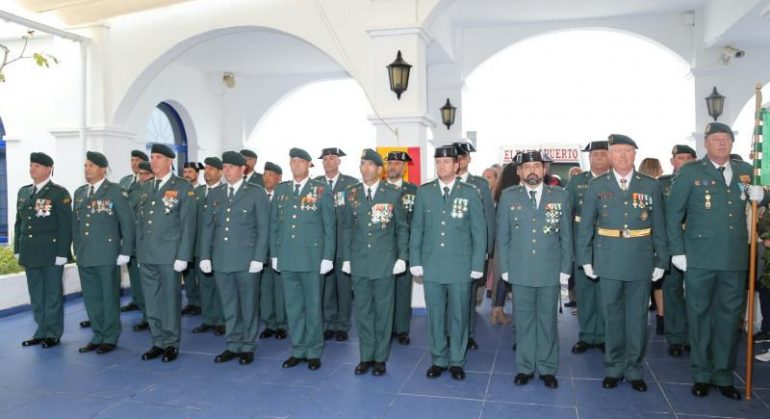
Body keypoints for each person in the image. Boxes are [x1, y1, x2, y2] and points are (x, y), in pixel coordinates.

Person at [666, 122, 767, 400]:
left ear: (732, 143)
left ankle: (722, 374)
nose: (722, 142)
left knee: (729, 319)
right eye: (716, 138)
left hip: (734, 258)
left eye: (726, 138)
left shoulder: (745, 172)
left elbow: (760, 192)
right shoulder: (691, 172)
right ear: (706, 143)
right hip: (699, 258)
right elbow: (673, 214)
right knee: (699, 316)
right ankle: (701, 374)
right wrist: (677, 251)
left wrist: (762, 195)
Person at [578, 134, 667, 393]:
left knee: (638, 317)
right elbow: (586, 227)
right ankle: (614, 367)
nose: (623, 156)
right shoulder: (597, 186)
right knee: (612, 315)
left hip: (640, 259)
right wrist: (585, 259)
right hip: (608, 259)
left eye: (628, 151)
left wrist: (661, 259)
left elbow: (659, 227)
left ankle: (634, 368)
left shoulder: (650, 186)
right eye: (617, 151)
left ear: (635, 154)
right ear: (610, 155)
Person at [409, 145, 486, 380]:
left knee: (459, 314)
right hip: (432, 264)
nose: (441, 166)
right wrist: (415, 259)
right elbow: (417, 227)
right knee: (435, 315)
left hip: (460, 265)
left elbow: (479, 231)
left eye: (446, 162)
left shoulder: (470, 192)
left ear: (457, 165)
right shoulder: (425, 192)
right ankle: (438, 359)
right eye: (438, 162)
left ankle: (457, 360)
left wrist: (477, 264)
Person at [497, 151, 572, 389]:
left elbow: (566, 235)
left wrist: (565, 267)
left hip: (550, 268)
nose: (532, 171)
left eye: (537, 166)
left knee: (548, 321)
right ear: (519, 171)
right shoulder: (509, 196)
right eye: (527, 167)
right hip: (520, 269)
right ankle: (525, 367)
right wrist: (505, 267)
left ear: (544, 170)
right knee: (524, 321)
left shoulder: (560, 195)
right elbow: (503, 236)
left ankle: (547, 368)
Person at [339, 149, 408, 376]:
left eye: (370, 164)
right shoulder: (351, 193)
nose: (365, 168)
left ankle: (380, 358)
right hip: (359, 261)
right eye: (363, 164)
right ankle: (366, 356)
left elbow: (401, 227)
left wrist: (402, 257)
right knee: (363, 311)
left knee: (383, 312)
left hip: (384, 261)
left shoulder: (392, 193)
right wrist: (346, 258)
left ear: (380, 169)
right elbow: (347, 228)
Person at [199, 151, 270, 365]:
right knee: (228, 304)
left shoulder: (256, 193)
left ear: (242, 169)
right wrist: (205, 255)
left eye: (231, 167)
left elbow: (263, 228)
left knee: (248, 304)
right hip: (221, 258)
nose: (226, 171)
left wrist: (259, 257)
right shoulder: (216, 193)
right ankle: (232, 343)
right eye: (225, 167)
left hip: (247, 259)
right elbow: (208, 227)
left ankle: (248, 345)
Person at [271, 148, 335, 371]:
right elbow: (274, 225)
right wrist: (274, 254)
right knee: (293, 307)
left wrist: (327, 256)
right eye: (293, 161)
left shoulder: (321, 190)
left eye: (301, 161)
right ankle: (298, 349)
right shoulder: (281, 190)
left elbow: (329, 227)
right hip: (287, 257)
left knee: (313, 307)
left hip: (312, 258)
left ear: (309, 165)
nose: (296, 164)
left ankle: (314, 350)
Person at [135, 143, 196, 363]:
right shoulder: (145, 187)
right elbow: (140, 223)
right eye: (152, 157)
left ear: (170, 160)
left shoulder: (182, 187)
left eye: (158, 157)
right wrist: (139, 252)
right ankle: (157, 341)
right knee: (151, 301)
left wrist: (183, 255)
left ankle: (171, 343)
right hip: (148, 254)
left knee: (170, 301)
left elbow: (188, 224)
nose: (154, 161)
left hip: (170, 255)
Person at [72, 151, 134, 355]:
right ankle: (97, 334)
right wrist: (76, 248)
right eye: (85, 165)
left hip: (107, 255)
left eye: (91, 165)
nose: (87, 169)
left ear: (102, 169)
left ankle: (110, 336)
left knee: (108, 297)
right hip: (85, 254)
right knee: (91, 298)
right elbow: (76, 224)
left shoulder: (115, 191)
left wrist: (126, 250)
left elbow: (127, 223)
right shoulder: (80, 192)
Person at [15, 152, 73, 349]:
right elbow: (19, 223)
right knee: (36, 294)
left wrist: (62, 253)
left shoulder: (58, 193)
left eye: (37, 166)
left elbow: (66, 225)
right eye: (31, 165)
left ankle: (53, 333)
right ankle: (41, 331)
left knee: (52, 294)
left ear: (49, 169)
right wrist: (17, 248)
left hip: (51, 253)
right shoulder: (24, 192)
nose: (32, 169)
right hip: (30, 252)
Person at [568, 141, 610, 354]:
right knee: (584, 293)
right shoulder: (577, 182)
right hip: (582, 242)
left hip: (609, 244)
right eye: (595, 154)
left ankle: (603, 336)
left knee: (605, 293)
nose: (599, 158)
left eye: (603, 154)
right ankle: (586, 335)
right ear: (589, 158)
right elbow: (567, 213)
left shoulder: (616, 180)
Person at [454, 141, 495, 351]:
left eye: (462, 157)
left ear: (469, 159)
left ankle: (468, 334)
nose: (459, 161)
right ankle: (451, 332)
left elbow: (488, 217)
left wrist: (487, 250)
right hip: (448, 250)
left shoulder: (479, 184)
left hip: (471, 250)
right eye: (456, 157)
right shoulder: (441, 183)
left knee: (468, 295)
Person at [658, 145, 697, 357]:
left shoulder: (702, 181)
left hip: (697, 244)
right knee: (672, 291)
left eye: (689, 158)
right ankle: (675, 338)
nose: (685, 162)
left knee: (697, 293)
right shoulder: (662, 184)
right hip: (671, 243)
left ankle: (694, 337)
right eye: (680, 158)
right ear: (672, 161)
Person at [316, 147, 358, 342]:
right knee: (327, 288)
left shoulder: (350, 184)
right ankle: (330, 323)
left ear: (339, 161)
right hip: (322, 245)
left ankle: (342, 324)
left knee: (344, 288)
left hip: (343, 244)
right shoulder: (315, 184)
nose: (328, 162)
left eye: (332, 158)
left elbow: (354, 216)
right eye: (325, 159)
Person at [385, 151, 418, 345]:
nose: (393, 166)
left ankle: (402, 329)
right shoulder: (379, 189)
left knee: (404, 291)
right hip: (383, 249)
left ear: (404, 167)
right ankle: (387, 329)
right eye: (390, 163)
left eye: (397, 163)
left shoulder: (414, 191)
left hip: (405, 249)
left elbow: (417, 222)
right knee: (385, 292)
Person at [190, 157, 226, 336]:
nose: (208, 172)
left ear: (220, 172)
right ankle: (208, 319)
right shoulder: (197, 192)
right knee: (204, 285)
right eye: (206, 169)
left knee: (220, 286)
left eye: (212, 169)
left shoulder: (225, 192)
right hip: (199, 247)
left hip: (218, 247)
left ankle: (222, 320)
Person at [259, 161, 289, 340]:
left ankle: (281, 324)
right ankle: (269, 323)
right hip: (262, 251)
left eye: (270, 175)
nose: (266, 178)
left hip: (280, 249)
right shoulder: (258, 195)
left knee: (280, 289)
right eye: (265, 174)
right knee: (265, 288)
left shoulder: (285, 196)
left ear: (279, 178)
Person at [119, 149, 148, 314]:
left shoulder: (147, 181)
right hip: (127, 233)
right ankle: (136, 299)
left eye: (138, 160)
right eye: (132, 160)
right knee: (132, 270)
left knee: (143, 272)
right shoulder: (125, 181)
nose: (134, 163)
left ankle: (146, 305)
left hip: (141, 233)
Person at [490, 163, 520, 325]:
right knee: (504, 277)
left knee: (501, 276)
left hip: (500, 241)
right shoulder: (512, 194)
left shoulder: (500, 192)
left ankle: (497, 310)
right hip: (511, 241)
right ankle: (497, 311)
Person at [126, 161, 154, 332]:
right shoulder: (135, 190)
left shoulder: (154, 190)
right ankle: (146, 316)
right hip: (134, 244)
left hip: (149, 246)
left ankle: (153, 318)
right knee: (137, 284)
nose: (141, 177)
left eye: (145, 174)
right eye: (140, 174)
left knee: (149, 286)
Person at [181, 162, 205, 317]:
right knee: (188, 275)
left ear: (197, 173)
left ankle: (203, 304)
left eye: (190, 172)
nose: (187, 175)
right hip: (185, 241)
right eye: (185, 172)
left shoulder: (203, 191)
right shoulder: (181, 191)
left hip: (200, 240)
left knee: (202, 276)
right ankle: (192, 302)